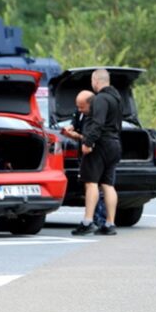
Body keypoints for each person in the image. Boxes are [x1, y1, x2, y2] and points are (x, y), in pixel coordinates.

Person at [71, 69, 123, 236]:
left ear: (95, 80)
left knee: (91, 182)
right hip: (115, 143)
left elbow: (98, 123)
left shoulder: (100, 99)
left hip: (100, 145)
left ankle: (87, 221)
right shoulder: (117, 98)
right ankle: (110, 223)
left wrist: (88, 142)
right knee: (108, 184)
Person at [62, 90, 107, 228]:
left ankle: (99, 218)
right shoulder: (80, 112)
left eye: (81, 106)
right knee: (89, 186)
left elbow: (89, 138)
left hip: (94, 152)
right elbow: (75, 122)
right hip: (84, 154)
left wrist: (77, 137)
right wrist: (70, 128)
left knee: (96, 186)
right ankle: (94, 217)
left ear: (90, 104)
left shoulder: (95, 116)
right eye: (78, 106)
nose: (79, 109)